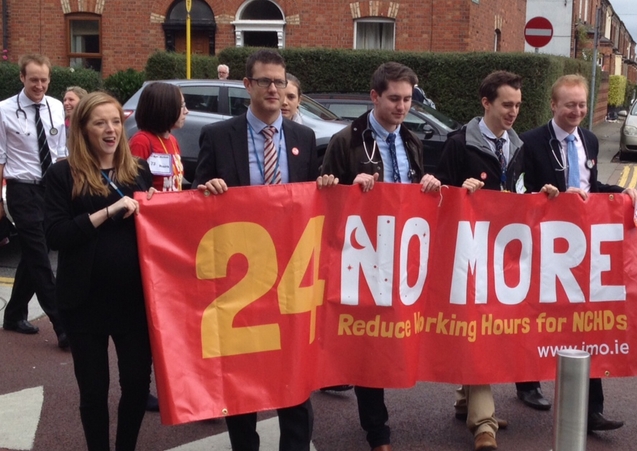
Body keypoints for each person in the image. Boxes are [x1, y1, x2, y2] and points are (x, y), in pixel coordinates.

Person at [196, 49, 336, 451]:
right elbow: (195, 202)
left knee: (294, 371)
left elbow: (312, 206)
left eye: (279, 81)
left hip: (292, 275)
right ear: (248, 85)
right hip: (242, 280)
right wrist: (207, 191)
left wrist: (325, 189)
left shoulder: (303, 137)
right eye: (265, 82)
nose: (274, 89)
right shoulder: (219, 136)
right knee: (242, 377)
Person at [434, 70, 558, 451]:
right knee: (479, 328)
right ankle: (483, 423)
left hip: (504, 255)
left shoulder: (518, 146)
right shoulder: (458, 144)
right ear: (486, 102)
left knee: (489, 326)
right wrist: (457, 191)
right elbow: (436, 194)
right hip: (467, 254)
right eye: (507, 104)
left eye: (518, 105)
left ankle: (464, 399)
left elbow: (518, 192)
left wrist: (542, 193)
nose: (514, 112)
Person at [321, 61, 441, 451]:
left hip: (404, 259)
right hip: (363, 259)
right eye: (394, 99)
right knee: (370, 341)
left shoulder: (412, 141)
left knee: (398, 335)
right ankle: (377, 429)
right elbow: (324, 200)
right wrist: (345, 186)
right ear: (374, 97)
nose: (402, 107)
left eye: (407, 99)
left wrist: (429, 184)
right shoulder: (346, 141)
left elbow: (418, 197)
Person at [520, 73, 637, 433]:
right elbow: (518, 193)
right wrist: (550, 196)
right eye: (569, 104)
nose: (576, 111)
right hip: (542, 244)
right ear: (554, 105)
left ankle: (592, 410)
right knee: (537, 316)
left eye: (581, 104)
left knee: (585, 322)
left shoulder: (588, 139)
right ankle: (527, 383)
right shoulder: (530, 143)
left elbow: (593, 187)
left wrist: (623, 192)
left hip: (581, 246)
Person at [44, 91, 155, 451]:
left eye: (115, 122)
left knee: (137, 385)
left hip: (134, 300)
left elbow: (165, 222)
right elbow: (56, 234)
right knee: (93, 390)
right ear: (83, 129)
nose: (110, 130)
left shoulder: (137, 170)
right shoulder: (63, 174)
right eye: (99, 123)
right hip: (84, 301)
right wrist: (107, 212)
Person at [0, 54, 68, 348]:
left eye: (44, 80)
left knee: (35, 254)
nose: (40, 85)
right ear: (22, 77)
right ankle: (63, 325)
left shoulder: (55, 106)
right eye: (34, 80)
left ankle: (13, 314)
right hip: (22, 190)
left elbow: (60, 153)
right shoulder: (2, 110)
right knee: (41, 258)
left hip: (51, 188)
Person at [128, 82, 186, 192]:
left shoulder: (172, 140)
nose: (187, 111)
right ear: (165, 108)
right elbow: (132, 187)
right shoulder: (141, 142)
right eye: (182, 106)